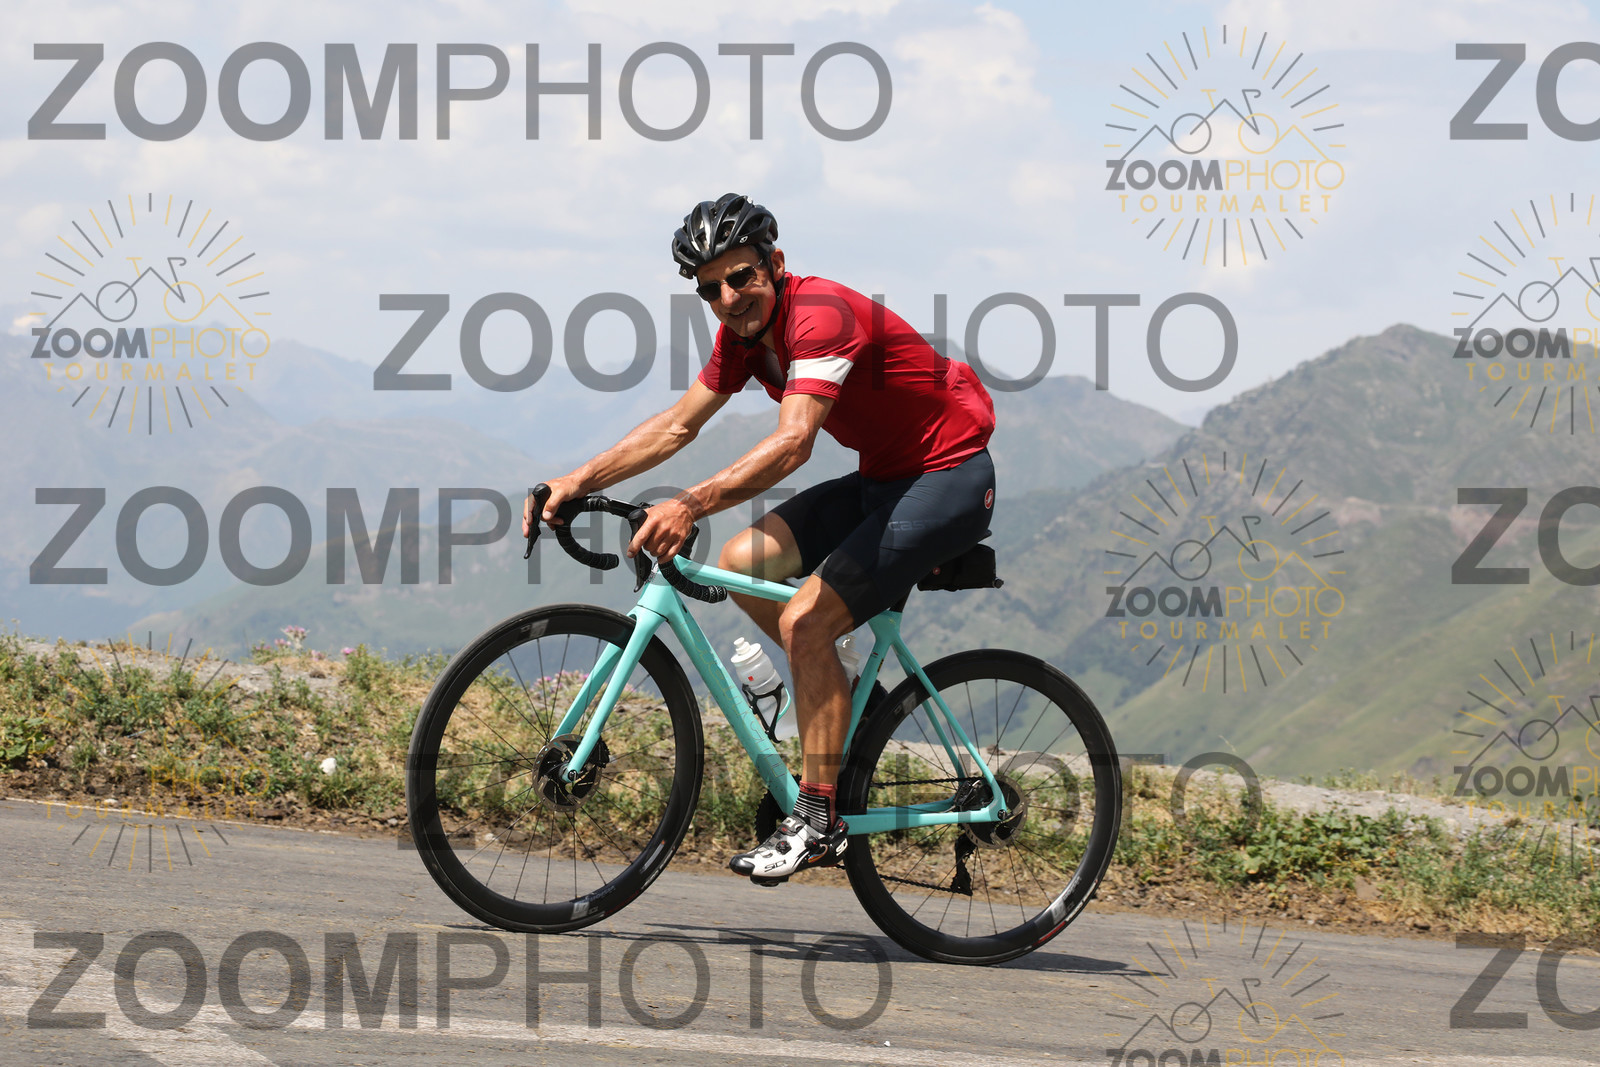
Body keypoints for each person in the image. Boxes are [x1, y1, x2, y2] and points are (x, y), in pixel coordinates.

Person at [522, 193, 996, 883]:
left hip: (949, 475)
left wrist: (691, 502)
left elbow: (795, 442)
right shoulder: (745, 338)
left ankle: (819, 820)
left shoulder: (820, 315)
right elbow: (678, 425)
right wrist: (577, 479)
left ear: (774, 264)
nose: (728, 297)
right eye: (709, 288)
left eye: (740, 276)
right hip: (884, 478)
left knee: (805, 620)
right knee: (744, 560)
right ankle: (839, 699)